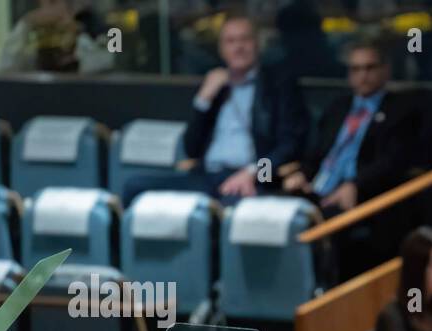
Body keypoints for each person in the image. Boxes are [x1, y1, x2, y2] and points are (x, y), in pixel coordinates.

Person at [121, 14, 309, 207]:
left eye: (245, 39)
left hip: (250, 178)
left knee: (230, 206)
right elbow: (190, 149)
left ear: (257, 44)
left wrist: (254, 173)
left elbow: (290, 146)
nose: (238, 47)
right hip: (206, 177)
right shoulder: (216, 87)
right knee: (133, 187)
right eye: (230, 41)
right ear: (221, 49)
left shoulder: (278, 86)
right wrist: (203, 100)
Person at [283, 37, 425, 278]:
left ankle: (320, 296)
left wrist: (355, 185)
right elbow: (316, 155)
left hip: (361, 198)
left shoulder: (402, 110)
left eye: (370, 68)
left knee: (322, 228)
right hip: (316, 191)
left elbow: (393, 161)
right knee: (273, 212)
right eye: (356, 69)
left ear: (385, 70)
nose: (363, 76)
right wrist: (301, 174)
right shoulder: (338, 108)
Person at [0, 0, 115, 74]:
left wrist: (75, 33)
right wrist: (25, 25)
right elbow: (6, 67)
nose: (46, 9)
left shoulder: (91, 29)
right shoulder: (31, 34)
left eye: (53, 2)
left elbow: (105, 63)